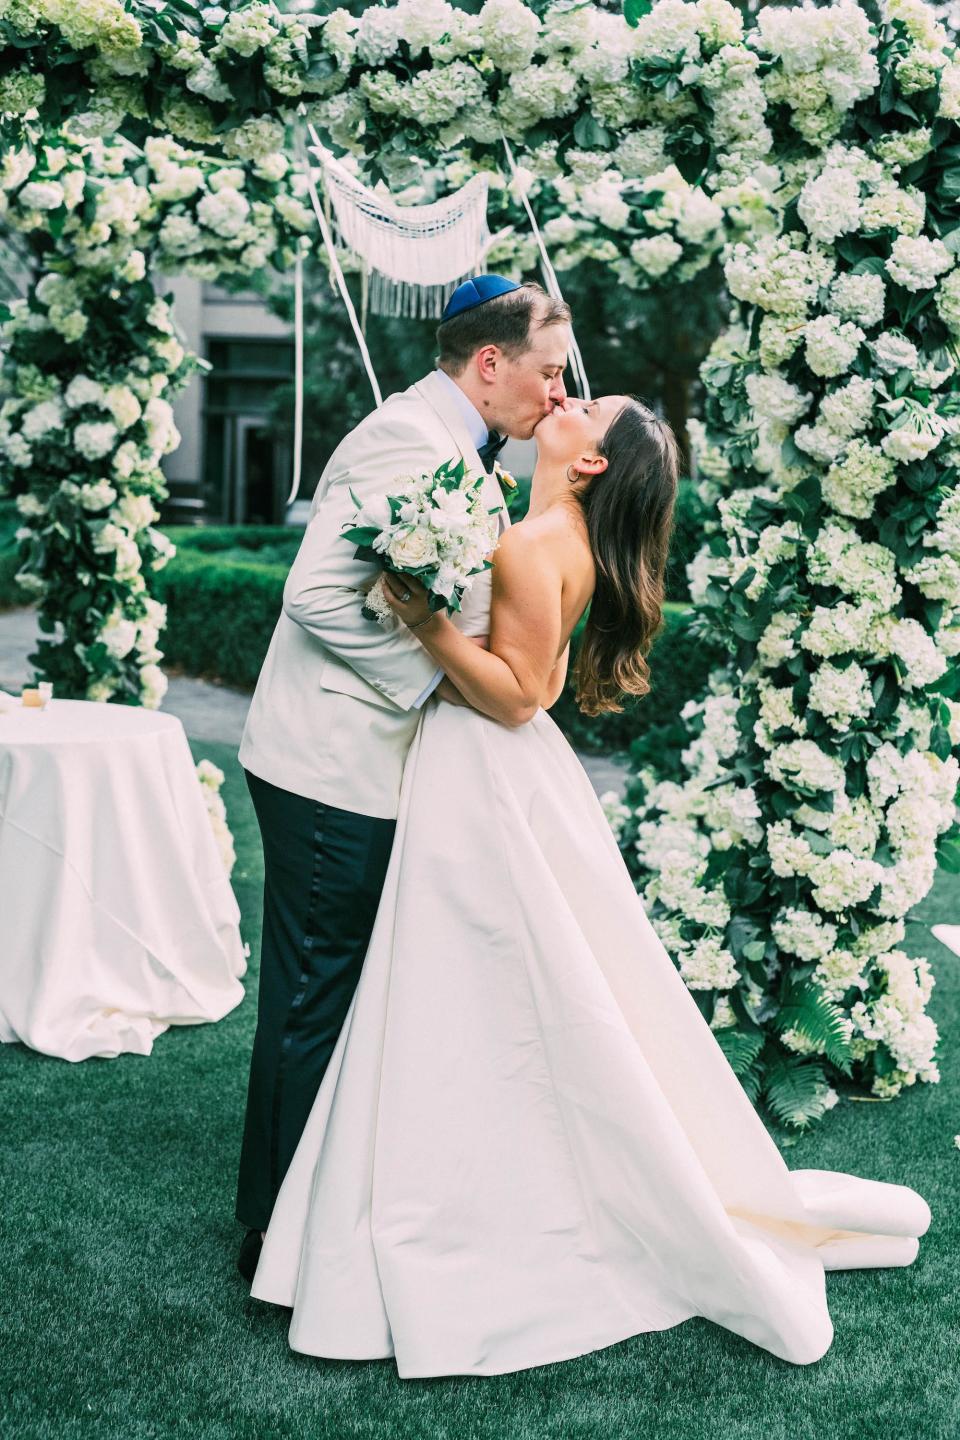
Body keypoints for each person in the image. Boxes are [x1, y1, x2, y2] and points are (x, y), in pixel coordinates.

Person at [249, 390, 931, 1375]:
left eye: (587, 407)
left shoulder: (536, 544)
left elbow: (523, 697)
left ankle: (458, 1198)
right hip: (487, 772)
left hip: (481, 770)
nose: (563, 400)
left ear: (594, 462)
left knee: (458, 984)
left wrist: (427, 626)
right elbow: (551, 676)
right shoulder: (548, 533)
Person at [233, 275, 572, 1282]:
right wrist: (440, 677)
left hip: (358, 759)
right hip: (331, 762)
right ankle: (273, 1234)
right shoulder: (407, 443)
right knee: (312, 997)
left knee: (332, 990)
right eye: (549, 375)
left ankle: (311, 1207)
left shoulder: (456, 450)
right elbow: (316, 602)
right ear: (490, 363)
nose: (557, 397)